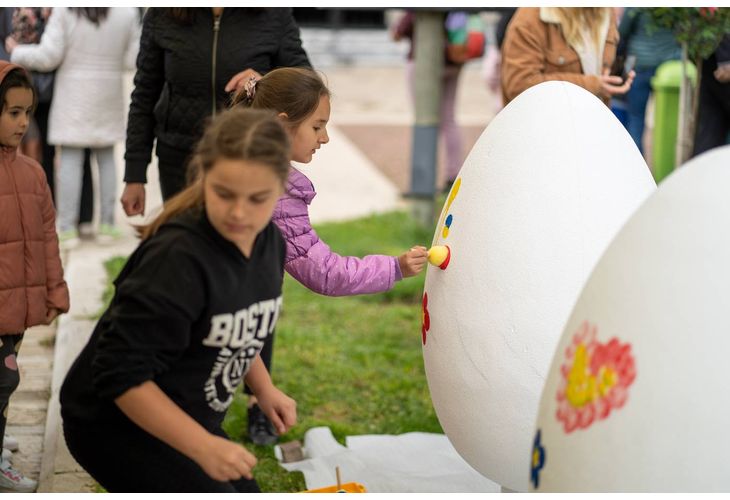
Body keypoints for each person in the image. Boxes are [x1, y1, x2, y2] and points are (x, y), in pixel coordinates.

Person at [60, 108, 297, 493]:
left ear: (282, 188)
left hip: (185, 412)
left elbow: (240, 320)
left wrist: (264, 388)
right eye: (223, 193)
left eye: (257, 198)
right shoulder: (176, 259)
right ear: (203, 175)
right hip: (115, 425)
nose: (239, 212)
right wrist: (202, 446)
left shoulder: (271, 243)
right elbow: (119, 375)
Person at [232, 67, 429, 445]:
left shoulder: (232, 160)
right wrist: (395, 268)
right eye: (318, 127)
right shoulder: (278, 194)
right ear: (281, 124)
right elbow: (326, 274)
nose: (324, 138)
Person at [121, 7, 311, 217]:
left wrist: (263, 82)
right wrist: (134, 175)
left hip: (250, 159)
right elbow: (144, 96)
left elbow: (305, 83)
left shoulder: (274, 13)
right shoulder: (162, 13)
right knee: (187, 245)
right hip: (179, 163)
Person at [7, 7, 141, 248]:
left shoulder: (66, 10)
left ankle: (67, 228)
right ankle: (108, 225)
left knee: (70, 160)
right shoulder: (127, 12)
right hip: (108, 93)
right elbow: (133, 59)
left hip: (73, 94)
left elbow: (50, 56)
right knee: (107, 158)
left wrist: (17, 52)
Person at [0, 61, 70, 492]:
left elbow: (47, 237)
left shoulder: (32, 172)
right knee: (3, 378)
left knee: (6, 379)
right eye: (12, 113)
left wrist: (54, 289)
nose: (24, 122)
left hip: (16, 309)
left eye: (28, 112)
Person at [0, 7, 97, 238]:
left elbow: (58, 50)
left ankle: (55, 215)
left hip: (57, 88)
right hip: (17, 87)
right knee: (26, 151)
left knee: (56, 153)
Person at [501, 7, 635, 106]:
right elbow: (519, 86)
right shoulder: (531, 18)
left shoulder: (605, 12)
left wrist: (612, 78)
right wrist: (594, 85)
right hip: (546, 131)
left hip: (594, 125)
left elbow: (594, 66)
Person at [392, 10, 464, 189]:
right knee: (449, 120)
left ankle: (423, 185)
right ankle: (452, 175)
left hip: (422, 62)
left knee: (423, 119)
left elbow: (398, 32)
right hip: (452, 62)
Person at [618, 7, 680, 154]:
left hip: (639, 64)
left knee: (636, 118)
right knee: (668, 121)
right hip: (669, 66)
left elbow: (622, 32)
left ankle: (635, 165)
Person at [692, 34, 730, 157]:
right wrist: (725, 59)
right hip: (720, 68)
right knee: (709, 134)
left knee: (709, 133)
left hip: (713, 65)